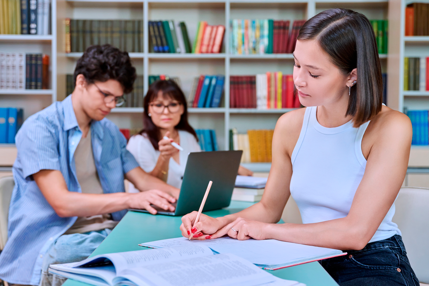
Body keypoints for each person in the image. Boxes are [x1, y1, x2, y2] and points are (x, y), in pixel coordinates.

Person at [179, 9, 419, 286]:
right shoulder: (289, 126)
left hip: (371, 259)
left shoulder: (390, 126)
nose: (298, 80)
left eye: (314, 74)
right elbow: (269, 208)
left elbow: (356, 233)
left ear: (352, 76)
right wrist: (220, 224)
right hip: (307, 254)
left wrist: (267, 231)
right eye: (296, 64)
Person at [0, 45, 179, 286]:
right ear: (81, 82)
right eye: (105, 94)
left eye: (117, 98)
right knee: (146, 255)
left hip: (106, 230)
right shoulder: (40, 129)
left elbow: (143, 180)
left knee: (165, 242)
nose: (111, 104)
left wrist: (185, 196)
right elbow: (62, 203)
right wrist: (129, 199)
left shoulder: (109, 131)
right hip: (59, 237)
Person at [126, 79, 253, 192]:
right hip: (151, 210)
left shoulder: (188, 137)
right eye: (158, 105)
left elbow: (202, 173)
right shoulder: (139, 142)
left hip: (182, 207)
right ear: (148, 109)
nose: (166, 111)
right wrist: (163, 159)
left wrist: (231, 168)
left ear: (182, 108)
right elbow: (147, 187)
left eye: (173, 104)